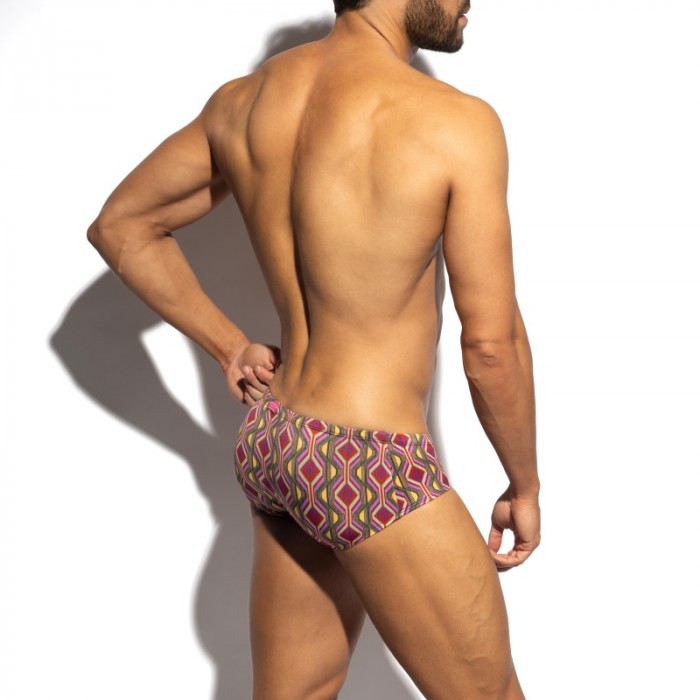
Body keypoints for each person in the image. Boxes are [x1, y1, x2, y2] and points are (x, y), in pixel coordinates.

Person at [88, 0, 541, 697]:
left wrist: (229, 348)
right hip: (372, 461)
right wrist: (524, 483)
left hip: (277, 440)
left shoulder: (245, 101)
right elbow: (490, 343)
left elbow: (121, 225)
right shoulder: (454, 122)